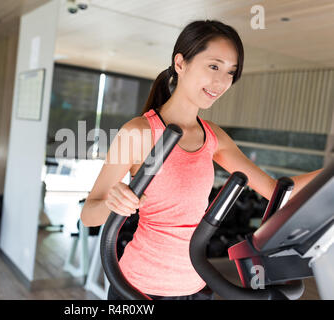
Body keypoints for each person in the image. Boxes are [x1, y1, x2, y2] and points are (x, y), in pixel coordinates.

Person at [80, 20, 323, 300]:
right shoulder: (139, 133)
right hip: (137, 289)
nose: (221, 82)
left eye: (230, 72)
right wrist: (114, 204)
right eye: (214, 66)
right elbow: (89, 214)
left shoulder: (214, 138)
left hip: (195, 287)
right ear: (180, 63)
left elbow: (276, 190)